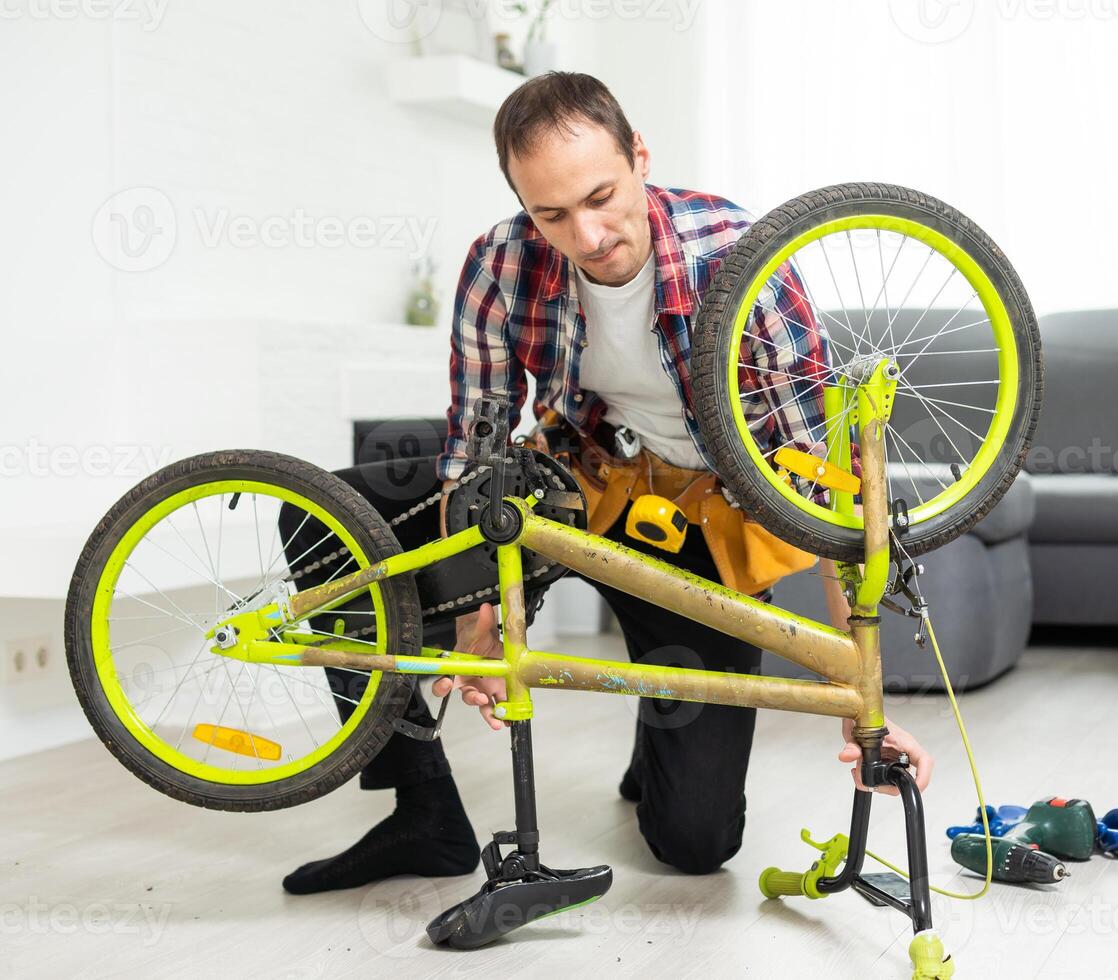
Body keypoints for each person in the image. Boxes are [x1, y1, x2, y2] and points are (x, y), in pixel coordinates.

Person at [281, 71, 933, 895]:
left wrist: (859, 702)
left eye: (602, 197)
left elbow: (831, 490)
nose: (586, 234)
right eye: (552, 214)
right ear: (523, 201)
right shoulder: (500, 263)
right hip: (576, 494)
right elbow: (474, 457)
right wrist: (481, 621)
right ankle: (422, 811)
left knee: (695, 843)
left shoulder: (739, 258)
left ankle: (657, 735)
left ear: (640, 158)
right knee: (326, 514)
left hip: (698, 536)